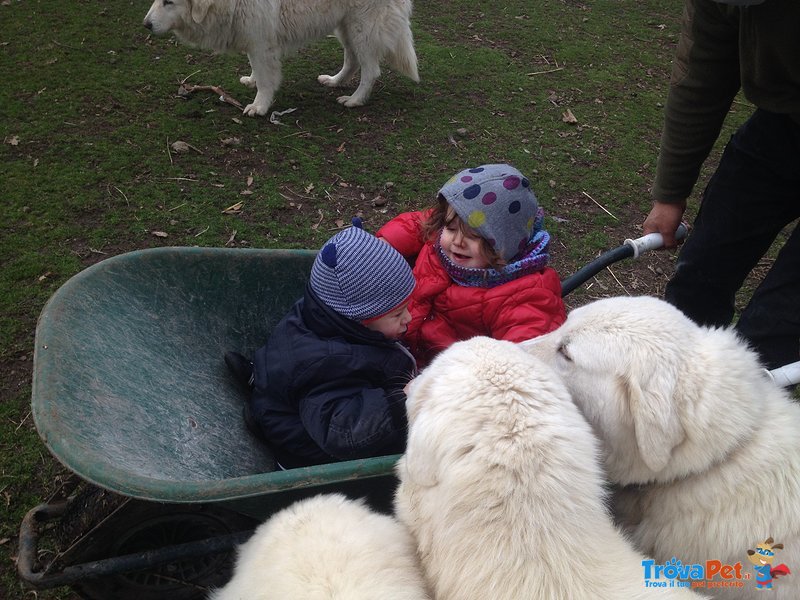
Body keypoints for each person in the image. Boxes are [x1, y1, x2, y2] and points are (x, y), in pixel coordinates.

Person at [642, 0, 800, 370]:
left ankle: (734, 409)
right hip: (783, 123)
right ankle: (669, 386)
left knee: (773, 326)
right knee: (698, 279)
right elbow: (700, 78)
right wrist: (670, 192)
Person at [224, 223, 417, 469]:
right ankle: (267, 409)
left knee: (289, 371)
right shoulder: (329, 364)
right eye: (398, 313)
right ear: (360, 318)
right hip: (311, 454)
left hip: (299, 402)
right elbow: (344, 432)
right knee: (405, 445)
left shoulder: (320, 313)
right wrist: (402, 401)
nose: (409, 318)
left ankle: (263, 391)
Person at [376, 163, 566, 366]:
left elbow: (526, 358)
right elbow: (418, 222)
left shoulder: (525, 297)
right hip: (400, 340)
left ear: (505, 243)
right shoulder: (442, 237)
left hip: (445, 378)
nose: (457, 241)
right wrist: (382, 245)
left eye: (474, 236)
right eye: (450, 228)